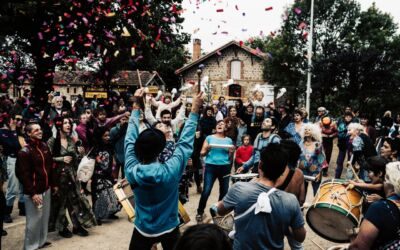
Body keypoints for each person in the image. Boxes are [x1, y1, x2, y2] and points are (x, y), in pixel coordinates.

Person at [124, 89, 203, 250]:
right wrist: (194, 110)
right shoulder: (170, 170)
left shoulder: (131, 169)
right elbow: (185, 144)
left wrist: (135, 107)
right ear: (161, 150)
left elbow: (129, 140)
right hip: (170, 228)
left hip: (142, 229)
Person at [213, 143, 306, 249]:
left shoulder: (239, 188)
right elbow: (300, 237)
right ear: (282, 171)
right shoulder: (291, 201)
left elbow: (220, 211)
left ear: (260, 164)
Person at [47, 117, 96, 238]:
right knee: (60, 202)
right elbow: (47, 158)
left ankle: (77, 226)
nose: (68, 125)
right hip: (58, 177)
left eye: (69, 122)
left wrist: (80, 153)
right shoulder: (52, 141)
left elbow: (76, 160)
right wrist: (61, 159)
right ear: (59, 125)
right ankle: (62, 227)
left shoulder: (72, 140)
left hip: (72, 175)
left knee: (75, 201)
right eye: (65, 123)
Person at [17, 123, 58, 250]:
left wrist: (53, 184)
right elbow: (23, 175)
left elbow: (50, 168)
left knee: (44, 218)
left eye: (40, 129)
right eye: (36, 130)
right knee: (33, 221)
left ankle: (41, 241)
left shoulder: (44, 146)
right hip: (34, 193)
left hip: (46, 189)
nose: (40, 131)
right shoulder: (25, 152)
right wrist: (33, 193)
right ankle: (30, 246)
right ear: (29, 133)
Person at [349, 161, 400, 249]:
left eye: (385, 178)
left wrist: (352, 241)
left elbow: (358, 247)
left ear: (388, 182)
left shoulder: (380, 207)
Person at [196, 120, 234, 223]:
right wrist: (207, 149)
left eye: (222, 124)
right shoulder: (209, 138)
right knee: (206, 191)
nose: (219, 125)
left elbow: (230, 158)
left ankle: (218, 212)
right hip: (210, 167)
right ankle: (200, 212)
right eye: (218, 124)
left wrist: (231, 153)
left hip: (224, 167)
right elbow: (202, 153)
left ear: (225, 128)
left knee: (224, 191)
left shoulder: (229, 140)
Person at [90, 126, 120, 224]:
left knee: (112, 195)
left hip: (108, 175)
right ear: (100, 137)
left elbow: (112, 161)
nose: (108, 137)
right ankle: (97, 217)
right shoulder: (94, 149)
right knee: (98, 197)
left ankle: (110, 213)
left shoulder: (109, 146)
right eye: (105, 136)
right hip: (98, 176)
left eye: (108, 135)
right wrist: (96, 159)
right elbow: (89, 162)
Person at [0, 114, 25, 223]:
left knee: (23, 185)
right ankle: (7, 212)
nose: (18, 122)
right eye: (16, 120)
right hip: (12, 160)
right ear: (9, 121)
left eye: (20, 120)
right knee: (13, 187)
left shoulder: (18, 131)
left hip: (21, 160)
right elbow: (14, 145)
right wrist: (14, 131)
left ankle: (22, 208)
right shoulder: (2, 132)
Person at [298, 123, 327, 196]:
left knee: (316, 194)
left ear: (314, 132)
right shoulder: (300, 143)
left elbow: (322, 159)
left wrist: (320, 173)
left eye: (309, 130)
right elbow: (297, 157)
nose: (306, 131)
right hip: (302, 172)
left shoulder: (317, 144)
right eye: (305, 129)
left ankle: (316, 207)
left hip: (315, 172)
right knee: (301, 195)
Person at [335, 111, 355, 178]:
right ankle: (337, 177)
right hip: (342, 145)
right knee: (340, 162)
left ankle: (348, 178)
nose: (348, 118)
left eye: (350, 117)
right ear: (344, 117)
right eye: (347, 117)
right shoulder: (342, 124)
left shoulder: (354, 125)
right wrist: (348, 133)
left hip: (351, 146)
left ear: (352, 118)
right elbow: (340, 135)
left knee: (350, 162)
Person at [110, 113, 129, 179]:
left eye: (126, 120)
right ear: (119, 120)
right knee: (114, 177)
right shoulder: (113, 130)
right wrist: (113, 156)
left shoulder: (129, 130)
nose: (124, 121)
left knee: (125, 178)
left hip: (126, 156)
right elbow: (111, 143)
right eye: (123, 119)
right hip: (116, 155)